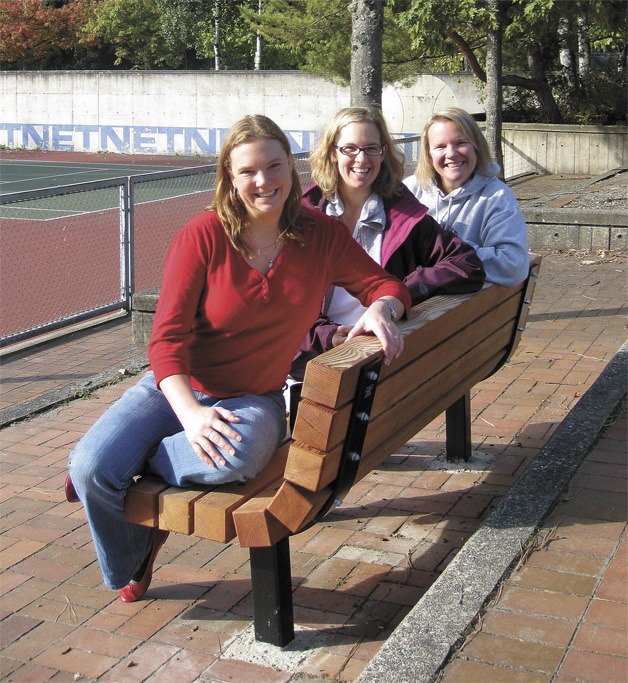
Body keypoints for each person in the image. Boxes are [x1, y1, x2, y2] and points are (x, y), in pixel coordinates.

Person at [66, 114, 411, 604]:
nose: (264, 181)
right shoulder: (203, 235)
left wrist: (382, 307)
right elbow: (165, 342)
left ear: (293, 172)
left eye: (275, 167)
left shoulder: (321, 235)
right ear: (230, 177)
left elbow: (387, 284)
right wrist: (191, 414)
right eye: (248, 171)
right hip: (177, 390)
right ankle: (131, 557)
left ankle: (139, 459)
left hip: (256, 399)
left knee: (237, 455)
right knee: (90, 467)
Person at [294, 106, 485, 376]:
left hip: (373, 360)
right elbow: (282, 305)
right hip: (318, 356)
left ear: (384, 154)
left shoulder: (402, 216)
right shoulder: (304, 219)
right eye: (350, 148)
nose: (362, 159)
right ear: (332, 153)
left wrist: (394, 299)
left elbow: (467, 264)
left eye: (372, 148)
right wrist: (328, 336)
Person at [403, 107, 529, 287]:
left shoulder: (497, 197)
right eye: (440, 146)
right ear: (429, 155)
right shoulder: (411, 190)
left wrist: (447, 250)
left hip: (457, 310)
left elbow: (513, 266)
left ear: (476, 147)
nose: (451, 153)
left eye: (461, 142)